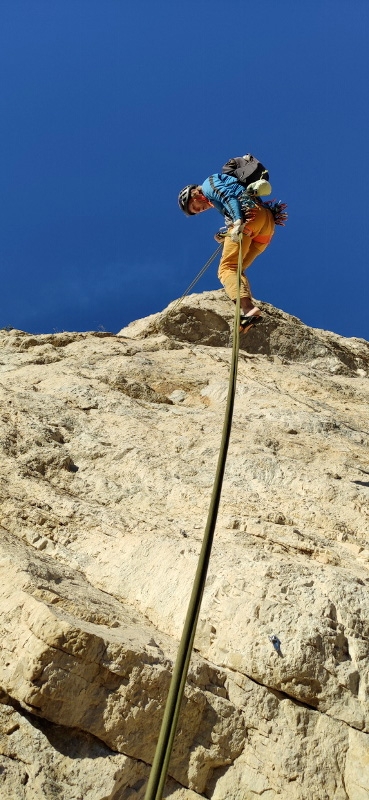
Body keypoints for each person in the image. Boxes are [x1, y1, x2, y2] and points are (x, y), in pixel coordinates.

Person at [178, 173, 286, 332]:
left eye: (195, 207)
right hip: (265, 226)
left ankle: (248, 310)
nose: (200, 210)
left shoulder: (208, 185)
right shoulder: (216, 192)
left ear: (194, 193)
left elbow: (229, 197)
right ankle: (247, 311)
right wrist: (226, 234)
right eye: (197, 212)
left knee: (227, 269)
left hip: (249, 218)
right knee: (237, 269)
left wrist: (237, 222)